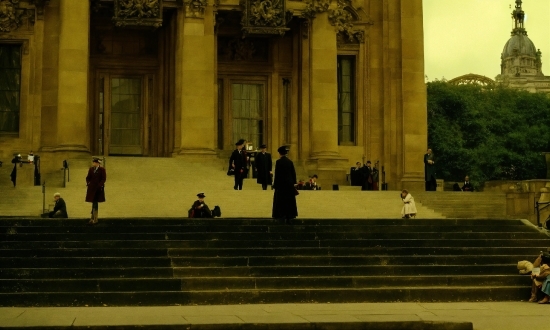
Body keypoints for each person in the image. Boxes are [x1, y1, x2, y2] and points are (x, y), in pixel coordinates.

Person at [272, 146, 298, 224]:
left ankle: (281, 214)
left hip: (281, 184)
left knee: (280, 200)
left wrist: (275, 184)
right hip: (289, 184)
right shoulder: (290, 162)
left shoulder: (278, 162)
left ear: (280, 153)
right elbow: (293, 173)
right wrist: (294, 182)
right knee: (289, 200)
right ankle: (290, 215)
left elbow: (277, 174)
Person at [85, 158, 106, 225]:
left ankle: (94, 218)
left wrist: (100, 185)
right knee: (94, 203)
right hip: (92, 188)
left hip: (98, 189)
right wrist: (88, 183)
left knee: (95, 203)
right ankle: (93, 218)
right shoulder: (91, 169)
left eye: (94, 162)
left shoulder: (102, 170)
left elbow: (103, 179)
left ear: (97, 163)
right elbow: (88, 177)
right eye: (93, 162)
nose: (93, 164)